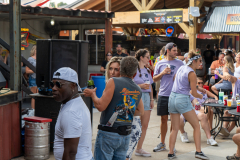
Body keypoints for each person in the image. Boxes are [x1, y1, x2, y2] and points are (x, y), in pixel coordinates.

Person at [84, 56, 144, 160]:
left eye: (116, 69)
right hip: (125, 136)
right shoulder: (137, 88)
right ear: (134, 73)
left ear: (121, 69)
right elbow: (140, 111)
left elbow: (100, 106)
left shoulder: (113, 81)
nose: (112, 72)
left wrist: (93, 95)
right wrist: (125, 109)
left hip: (109, 133)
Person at [168, 50, 209, 159]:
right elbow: (194, 93)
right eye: (200, 61)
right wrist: (201, 96)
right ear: (194, 61)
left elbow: (178, 80)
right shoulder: (192, 73)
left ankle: (171, 153)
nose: (201, 63)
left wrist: (197, 87)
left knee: (175, 128)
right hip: (182, 99)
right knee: (196, 126)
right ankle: (198, 152)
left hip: (172, 97)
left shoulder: (181, 68)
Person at [51, 67, 93, 160]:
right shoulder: (73, 102)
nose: (54, 88)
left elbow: (70, 154)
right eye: (52, 84)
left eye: (58, 84)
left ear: (73, 86)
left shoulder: (71, 112)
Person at [153, 43, 184, 153]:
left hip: (176, 94)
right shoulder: (160, 63)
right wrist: (162, 73)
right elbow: (154, 79)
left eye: (176, 50)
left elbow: (185, 77)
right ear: (168, 51)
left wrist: (178, 77)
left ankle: (172, 144)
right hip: (163, 94)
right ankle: (162, 143)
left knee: (174, 121)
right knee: (163, 119)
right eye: (174, 51)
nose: (176, 53)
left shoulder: (180, 63)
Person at [179, 77, 218, 146]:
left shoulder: (202, 91)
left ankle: (209, 137)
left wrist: (197, 103)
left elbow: (194, 100)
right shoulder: (182, 91)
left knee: (206, 113)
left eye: (201, 83)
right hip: (183, 110)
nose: (200, 84)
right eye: (198, 83)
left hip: (195, 109)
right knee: (180, 118)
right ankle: (183, 133)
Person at [133, 49, 154, 157]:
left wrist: (151, 99)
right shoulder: (133, 70)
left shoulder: (147, 70)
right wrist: (140, 86)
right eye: (147, 57)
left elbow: (150, 85)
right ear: (141, 57)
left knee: (144, 125)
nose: (149, 59)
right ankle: (129, 147)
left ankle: (139, 148)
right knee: (133, 124)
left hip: (146, 97)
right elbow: (128, 84)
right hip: (136, 97)